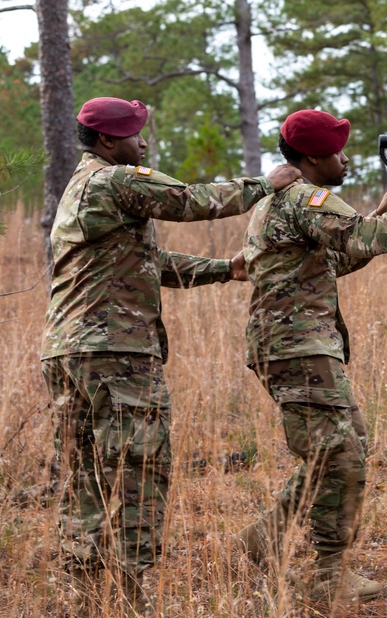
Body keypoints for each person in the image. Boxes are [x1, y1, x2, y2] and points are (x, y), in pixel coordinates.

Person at [41, 96, 301, 611]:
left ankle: (83, 589)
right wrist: (263, 185)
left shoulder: (81, 186)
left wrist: (224, 267)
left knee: (84, 473)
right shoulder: (118, 180)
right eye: (136, 134)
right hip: (118, 353)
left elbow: (148, 261)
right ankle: (128, 591)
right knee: (141, 470)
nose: (144, 142)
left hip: (67, 353)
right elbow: (192, 200)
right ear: (109, 141)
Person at [234, 109, 387, 607]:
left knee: (339, 446)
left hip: (295, 347)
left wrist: (377, 219)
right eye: (336, 152)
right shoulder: (308, 198)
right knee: (342, 454)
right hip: (297, 348)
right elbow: (354, 239)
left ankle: (263, 539)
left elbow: (336, 257)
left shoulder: (287, 202)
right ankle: (329, 575)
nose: (346, 159)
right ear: (312, 157)